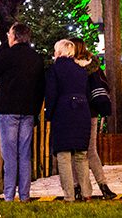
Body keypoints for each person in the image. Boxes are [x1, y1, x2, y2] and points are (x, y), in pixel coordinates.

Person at [0, 23, 45, 202]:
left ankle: (9, 196)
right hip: (28, 111)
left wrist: (3, 48)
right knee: (24, 155)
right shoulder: (35, 58)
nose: (7, 36)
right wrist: (35, 111)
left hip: (9, 110)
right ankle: (24, 195)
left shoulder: (8, 55)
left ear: (14, 36)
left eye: (9, 34)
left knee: (10, 155)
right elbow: (41, 88)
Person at [69, 38, 117, 200]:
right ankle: (104, 186)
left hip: (75, 113)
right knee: (91, 151)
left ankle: (77, 187)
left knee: (74, 152)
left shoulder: (71, 67)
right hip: (92, 113)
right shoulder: (94, 67)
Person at [45, 39, 92, 201]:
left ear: (59, 52)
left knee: (63, 155)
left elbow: (51, 94)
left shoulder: (54, 69)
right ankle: (86, 193)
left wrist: (48, 115)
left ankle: (69, 195)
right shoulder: (81, 70)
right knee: (81, 154)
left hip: (63, 112)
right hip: (82, 111)